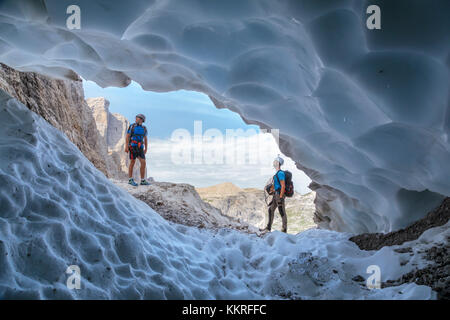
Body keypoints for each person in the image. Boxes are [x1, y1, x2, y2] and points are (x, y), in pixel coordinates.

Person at [262, 156, 287, 233]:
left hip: (279, 195)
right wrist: (271, 190)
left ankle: (284, 229)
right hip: (275, 195)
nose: (274, 163)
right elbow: (277, 185)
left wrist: (280, 196)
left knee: (281, 211)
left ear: (278, 163)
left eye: (275, 161)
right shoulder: (277, 174)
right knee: (270, 209)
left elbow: (283, 185)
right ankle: (268, 228)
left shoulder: (280, 173)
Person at [125, 114, 150, 186]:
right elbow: (127, 136)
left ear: (142, 120)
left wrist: (146, 148)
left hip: (140, 147)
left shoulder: (144, 128)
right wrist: (126, 146)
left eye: (138, 118)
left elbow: (145, 138)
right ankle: (130, 180)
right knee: (132, 162)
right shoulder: (132, 126)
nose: (136, 119)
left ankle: (142, 180)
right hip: (133, 146)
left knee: (143, 162)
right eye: (136, 118)